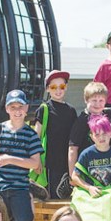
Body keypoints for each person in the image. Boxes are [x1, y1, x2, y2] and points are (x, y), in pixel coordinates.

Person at [0, 89, 43, 221]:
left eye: (20, 107)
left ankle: (30, 193)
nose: (17, 111)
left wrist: (10, 159)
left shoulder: (31, 135)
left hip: (19, 186)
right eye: (13, 107)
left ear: (26, 108)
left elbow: (35, 163)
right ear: (7, 109)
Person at [34, 70, 78, 198]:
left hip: (67, 163)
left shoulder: (71, 111)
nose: (58, 90)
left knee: (65, 198)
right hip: (49, 163)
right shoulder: (44, 109)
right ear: (47, 89)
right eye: (53, 87)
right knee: (49, 198)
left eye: (62, 87)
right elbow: (36, 136)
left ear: (66, 87)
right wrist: (36, 160)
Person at [68, 81, 111, 176]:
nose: (98, 104)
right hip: (87, 165)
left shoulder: (106, 113)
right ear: (86, 100)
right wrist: (73, 175)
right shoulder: (81, 121)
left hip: (105, 165)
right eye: (94, 100)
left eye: (101, 101)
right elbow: (72, 148)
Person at [71, 114, 111, 198]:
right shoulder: (86, 154)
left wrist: (110, 192)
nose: (101, 137)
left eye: (104, 133)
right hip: (90, 194)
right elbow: (75, 176)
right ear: (92, 137)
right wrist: (89, 188)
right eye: (97, 135)